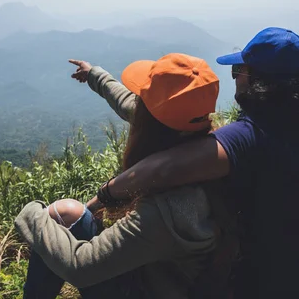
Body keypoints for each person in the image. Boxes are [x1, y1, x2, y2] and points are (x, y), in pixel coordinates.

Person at [86, 27, 299, 298]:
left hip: (268, 285)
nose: (235, 80)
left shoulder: (249, 137)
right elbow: (147, 112)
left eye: (238, 72)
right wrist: (98, 77)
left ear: (256, 81)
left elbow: (163, 168)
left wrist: (104, 196)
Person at [15, 53, 235, 299]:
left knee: (60, 214)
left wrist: (31, 213)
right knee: (69, 214)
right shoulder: (205, 148)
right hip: (156, 271)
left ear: (150, 120)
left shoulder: (172, 210)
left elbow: (79, 267)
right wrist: (93, 74)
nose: (137, 101)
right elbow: (127, 102)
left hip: (144, 290)